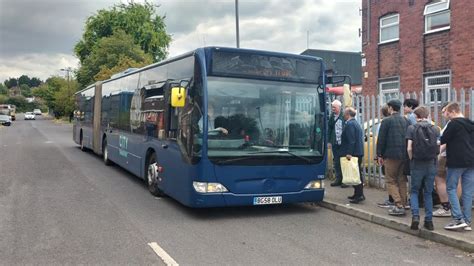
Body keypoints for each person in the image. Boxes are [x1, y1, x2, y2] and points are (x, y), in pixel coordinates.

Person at [440, 102, 474, 231]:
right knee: (468, 192)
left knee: (451, 188)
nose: (446, 116)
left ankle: (458, 218)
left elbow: (443, 140)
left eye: (447, 113)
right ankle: (467, 221)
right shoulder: (471, 123)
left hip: (456, 161)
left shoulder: (453, 124)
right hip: (471, 161)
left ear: (453, 111)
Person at [406, 106, 439, 231]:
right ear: (428, 115)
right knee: (428, 193)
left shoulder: (411, 128)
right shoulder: (435, 129)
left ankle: (415, 217)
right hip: (431, 163)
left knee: (414, 191)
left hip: (417, 163)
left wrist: (411, 158)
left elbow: (409, 148)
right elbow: (438, 146)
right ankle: (429, 221)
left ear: (416, 116)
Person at [377, 99, 409, 216]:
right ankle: (404, 203)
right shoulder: (406, 121)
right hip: (404, 155)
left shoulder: (386, 121)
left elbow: (381, 139)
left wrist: (379, 155)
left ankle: (398, 204)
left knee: (390, 180)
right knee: (402, 180)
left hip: (390, 155)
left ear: (390, 108)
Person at [433, 104, 462, 217]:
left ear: (450, 111)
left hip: (445, 155)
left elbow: (444, 141)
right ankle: (455, 206)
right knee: (458, 181)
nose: (443, 114)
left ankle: (446, 207)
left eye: (444, 111)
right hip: (459, 155)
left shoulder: (452, 123)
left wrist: (438, 153)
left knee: (439, 178)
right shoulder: (464, 122)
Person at [340, 107, 365, 203]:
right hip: (358, 152)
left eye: (344, 114)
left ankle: (359, 195)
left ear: (348, 114)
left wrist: (349, 153)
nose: (343, 115)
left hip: (353, 153)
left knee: (356, 174)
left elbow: (351, 140)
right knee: (356, 173)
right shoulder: (356, 123)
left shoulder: (350, 124)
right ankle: (358, 193)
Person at [377, 104, 396, 208]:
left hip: (387, 155)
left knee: (389, 178)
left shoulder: (383, 123)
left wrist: (379, 155)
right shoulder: (397, 121)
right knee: (397, 179)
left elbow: (380, 140)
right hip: (398, 155)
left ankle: (391, 199)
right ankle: (397, 199)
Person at [328, 100, 347, 187]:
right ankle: (338, 179)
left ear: (339, 108)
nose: (333, 109)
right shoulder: (332, 116)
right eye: (332, 107)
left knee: (344, 161)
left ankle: (345, 180)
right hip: (335, 142)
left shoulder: (344, 116)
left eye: (334, 107)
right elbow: (329, 128)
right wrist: (329, 141)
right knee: (336, 162)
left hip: (343, 143)